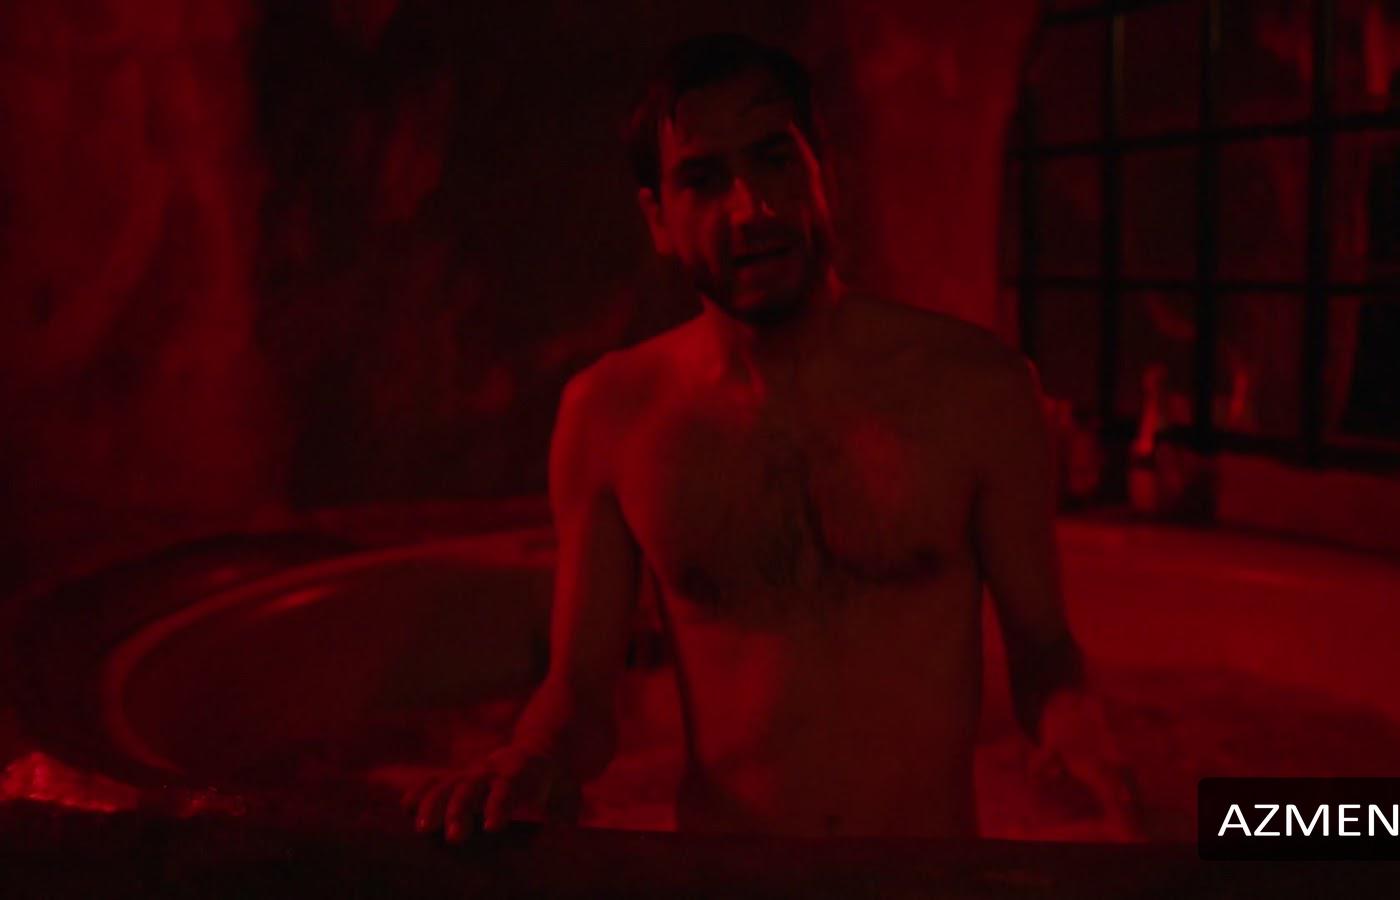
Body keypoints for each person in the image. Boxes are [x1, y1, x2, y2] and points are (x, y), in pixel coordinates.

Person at [405, 32, 1133, 841]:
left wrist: (1078, 740)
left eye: (775, 159)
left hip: (922, 878)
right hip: (724, 875)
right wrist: (529, 756)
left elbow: (1044, 650)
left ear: (828, 176)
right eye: (704, 179)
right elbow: (579, 691)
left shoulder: (977, 391)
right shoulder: (612, 416)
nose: (751, 208)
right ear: (658, 220)